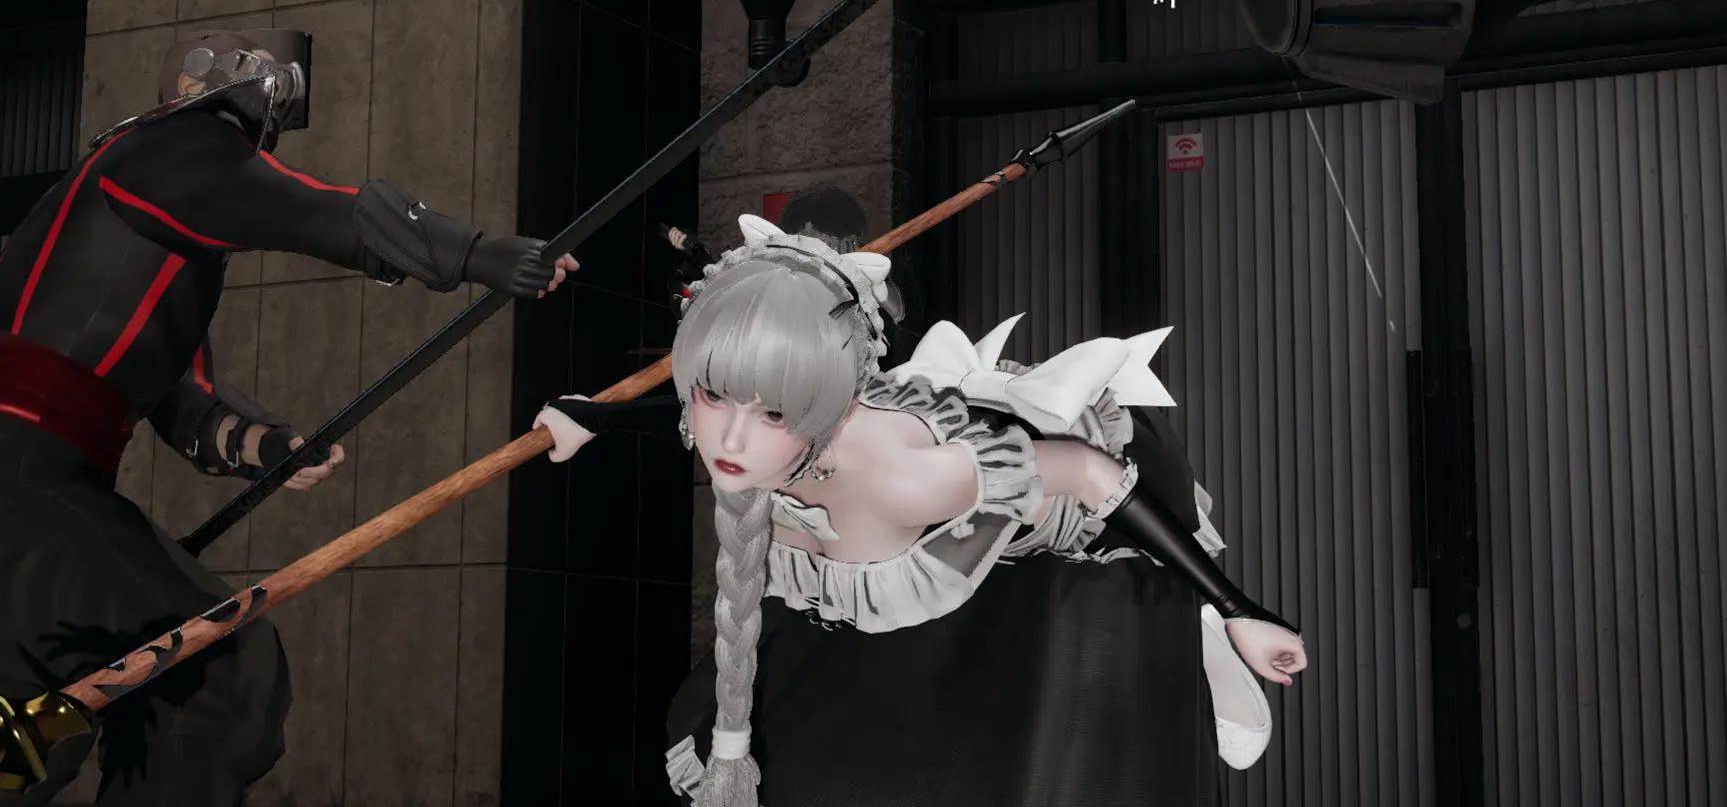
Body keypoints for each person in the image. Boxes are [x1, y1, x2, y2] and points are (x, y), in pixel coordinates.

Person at [536, 215, 1305, 806]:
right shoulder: (745, 440)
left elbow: (1090, 472)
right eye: (714, 394)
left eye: (771, 411)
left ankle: (1202, 630)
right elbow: (690, 422)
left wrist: (1237, 608)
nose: (729, 441)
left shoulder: (904, 476)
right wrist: (590, 417)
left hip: (1060, 496)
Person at [0, 29, 577, 805]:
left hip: (32, 487)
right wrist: (475, 254)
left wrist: (265, 447)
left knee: (36, 732)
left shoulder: (145, 215)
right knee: (217, 676)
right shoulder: (174, 150)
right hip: (25, 483)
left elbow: (179, 398)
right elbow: (308, 209)